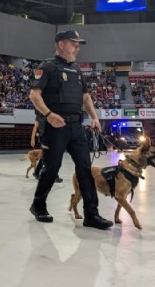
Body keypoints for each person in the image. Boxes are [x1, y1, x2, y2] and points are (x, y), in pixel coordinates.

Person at [29, 30, 113, 230]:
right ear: (60, 44)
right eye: (73, 44)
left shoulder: (77, 70)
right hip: (55, 127)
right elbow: (34, 95)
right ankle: (38, 205)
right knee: (52, 168)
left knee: (85, 169)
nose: (77, 48)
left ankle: (91, 214)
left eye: (78, 45)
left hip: (76, 127)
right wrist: (49, 114)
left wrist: (94, 116)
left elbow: (86, 97)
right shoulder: (47, 67)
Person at [30, 111, 63, 183]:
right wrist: (32, 139)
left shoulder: (51, 114)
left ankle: (37, 172)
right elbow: (35, 127)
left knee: (48, 157)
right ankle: (54, 175)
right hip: (44, 138)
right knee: (50, 157)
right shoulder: (38, 116)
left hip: (52, 137)